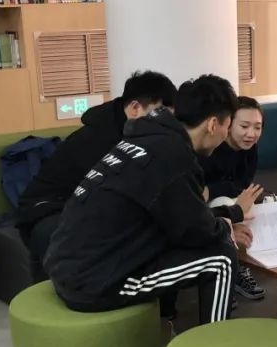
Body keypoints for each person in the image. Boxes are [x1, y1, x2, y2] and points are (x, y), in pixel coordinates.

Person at [44, 74, 247, 325]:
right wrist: (224, 228)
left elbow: (182, 216)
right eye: (229, 126)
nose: (226, 135)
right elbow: (198, 231)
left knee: (178, 237)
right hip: (92, 283)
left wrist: (225, 217)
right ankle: (213, 345)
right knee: (221, 258)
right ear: (213, 124)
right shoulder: (174, 158)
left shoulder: (146, 139)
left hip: (66, 267)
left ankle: (166, 325)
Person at [16, 70, 177, 266]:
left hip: (83, 209)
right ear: (135, 108)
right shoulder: (98, 139)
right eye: (160, 115)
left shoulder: (136, 133)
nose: (165, 125)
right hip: (47, 212)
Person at [202, 96, 266, 300]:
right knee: (234, 208)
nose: (251, 134)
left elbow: (244, 183)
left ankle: (249, 258)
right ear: (229, 124)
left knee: (260, 208)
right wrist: (230, 194)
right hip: (206, 207)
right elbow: (200, 191)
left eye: (257, 127)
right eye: (244, 126)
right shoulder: (213, 146)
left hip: (229, 197)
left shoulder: (250, 148)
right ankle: (234, 268)